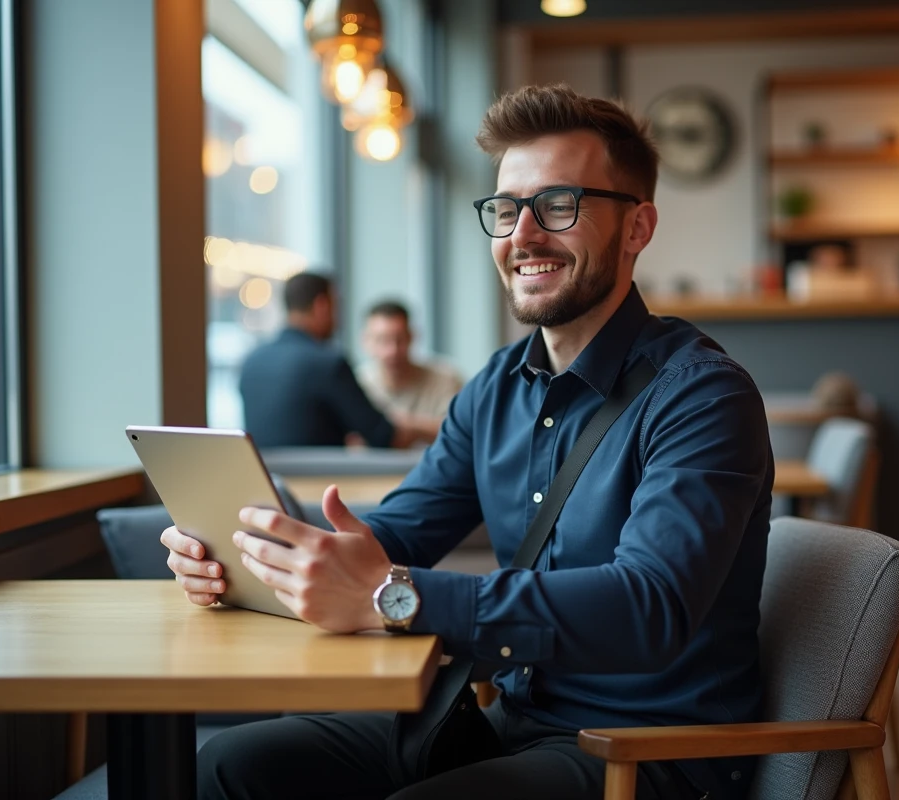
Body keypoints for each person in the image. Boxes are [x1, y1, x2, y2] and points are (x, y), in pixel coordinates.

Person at [164, 84, 773, 800]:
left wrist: (394, 596)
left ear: (637, 227)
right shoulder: (496, 388)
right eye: (506, 210)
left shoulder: (702, 396)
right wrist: (259, 559)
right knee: (230, 767)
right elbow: (397, 532)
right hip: (507, 721)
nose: (523, 236)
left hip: (647, 756)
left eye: (558, 205)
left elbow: (649, 607)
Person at [238, 272, 431, 449]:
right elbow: (383, 436)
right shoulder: (328, 363)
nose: (338, 319)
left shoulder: (251, 362)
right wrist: (417, 425)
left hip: (267, 474)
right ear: (321, 306)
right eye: (336, 306)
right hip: (321, 475)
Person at [358, 300, 464, 444]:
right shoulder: (357, 383)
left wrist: (409, 426)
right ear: (366, 341)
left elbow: (464, 430)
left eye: (399, 339)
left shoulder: (446, 378)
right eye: (383, 340)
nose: (393, 351)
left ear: (412, 337)